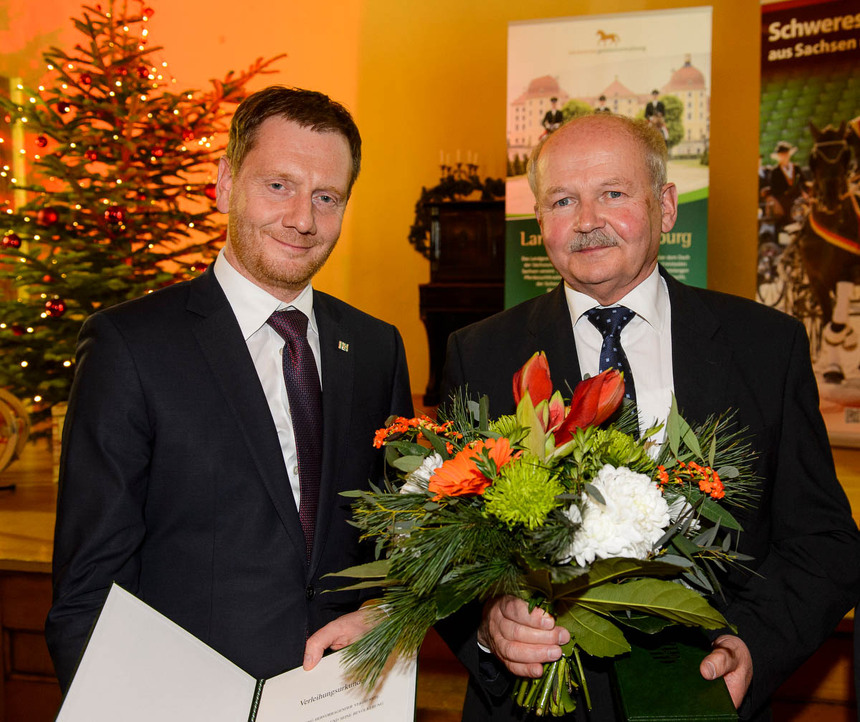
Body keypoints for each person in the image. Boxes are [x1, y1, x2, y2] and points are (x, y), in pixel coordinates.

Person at [439, 113, 860, 720]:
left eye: (612, 193)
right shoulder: (478, 354)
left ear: (665, 207)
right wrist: (487, 624)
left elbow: (825, 543)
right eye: (563, 200)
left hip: (702, 698)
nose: (586, 221)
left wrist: (752, 647)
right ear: (539, 223)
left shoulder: (767, 347)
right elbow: (445, 548)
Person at [45, 86, 412, 692]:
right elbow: (88, 586)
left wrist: (393, 610)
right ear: (224, 183)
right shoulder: (130, 347)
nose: (303, 218)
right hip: (186, 698)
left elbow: (404, 532)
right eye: (279, 186)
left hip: (346, 696)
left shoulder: (376, 348)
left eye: (327, 197)